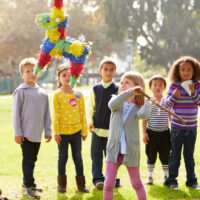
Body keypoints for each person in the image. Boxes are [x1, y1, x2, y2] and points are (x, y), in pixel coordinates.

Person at [103, 71, 154, 200]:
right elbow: (111, 105)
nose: (122, 85)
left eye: (127, 82)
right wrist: (129, 92)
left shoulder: (138, 107)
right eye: (121, 82)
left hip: (131, 151)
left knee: (136, 183)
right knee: (109, 183)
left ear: (137, 87)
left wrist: (149, 103)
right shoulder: (115, 100)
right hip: (114, 150)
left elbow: (144, 115)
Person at [13, 57, 52, 199]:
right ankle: (29, 185)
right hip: (25, 134)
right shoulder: (20, 91)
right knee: (28, 159)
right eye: (27, 71)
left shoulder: (43, 93)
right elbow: (15, 114)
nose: (31, 74)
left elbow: (47, 114)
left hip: (37, 133)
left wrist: (48, 130)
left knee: (33, 159)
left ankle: (28, 183)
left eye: (34, 70)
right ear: (22, 75)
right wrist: (18, 133)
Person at [52, 62, 89, 193]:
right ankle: (61, 185)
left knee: (78, 158)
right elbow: (55, 116)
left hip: (76, 132)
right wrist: (56, 133)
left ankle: (81, 185)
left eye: (70, 75)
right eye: (64, 75)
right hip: (62, 133)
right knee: (62, 158)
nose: (67, 78)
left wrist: (84, 131)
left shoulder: (78, 94)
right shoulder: (57, 95)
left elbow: (82, 113)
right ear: (59, 78)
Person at [164, 56, 200, 190]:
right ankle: (171, 181)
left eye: (189, 69)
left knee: (189, 156)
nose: (186, 72)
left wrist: (193, 92)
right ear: (177, 72)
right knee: (175, 155)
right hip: (177, 128)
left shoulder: (196, 85)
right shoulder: (174, 85)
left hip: (191, 128)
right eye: (183, 70)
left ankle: (192, 181)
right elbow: (166, 104)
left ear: (194, 70)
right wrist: (174, 96)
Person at [87, 57, 120, 190]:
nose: (108, 72)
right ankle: (98, 179)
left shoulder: (117, 89)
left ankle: (111, 179)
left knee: (111, 157)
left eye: (111, 70)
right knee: (96, 156)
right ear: (100, 71)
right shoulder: (95, 88)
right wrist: (90, 122)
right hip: (97, 129)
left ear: (115, 72)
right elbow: (90, 107)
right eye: (105, 69)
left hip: (112, 130)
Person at [142, 75, 171, 185]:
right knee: (151, 154)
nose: (158, 87)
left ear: (164, 87)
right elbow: (144, 119)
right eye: (155, 85)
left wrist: (172, 134)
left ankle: (166, 176)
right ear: (150, 87)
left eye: (160, 85)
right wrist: (144, 133)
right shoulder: (148, 102)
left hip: (165, 133)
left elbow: (171, 118)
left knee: (165, 155)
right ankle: (150, 177)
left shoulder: (167, 101)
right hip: (151, 133)